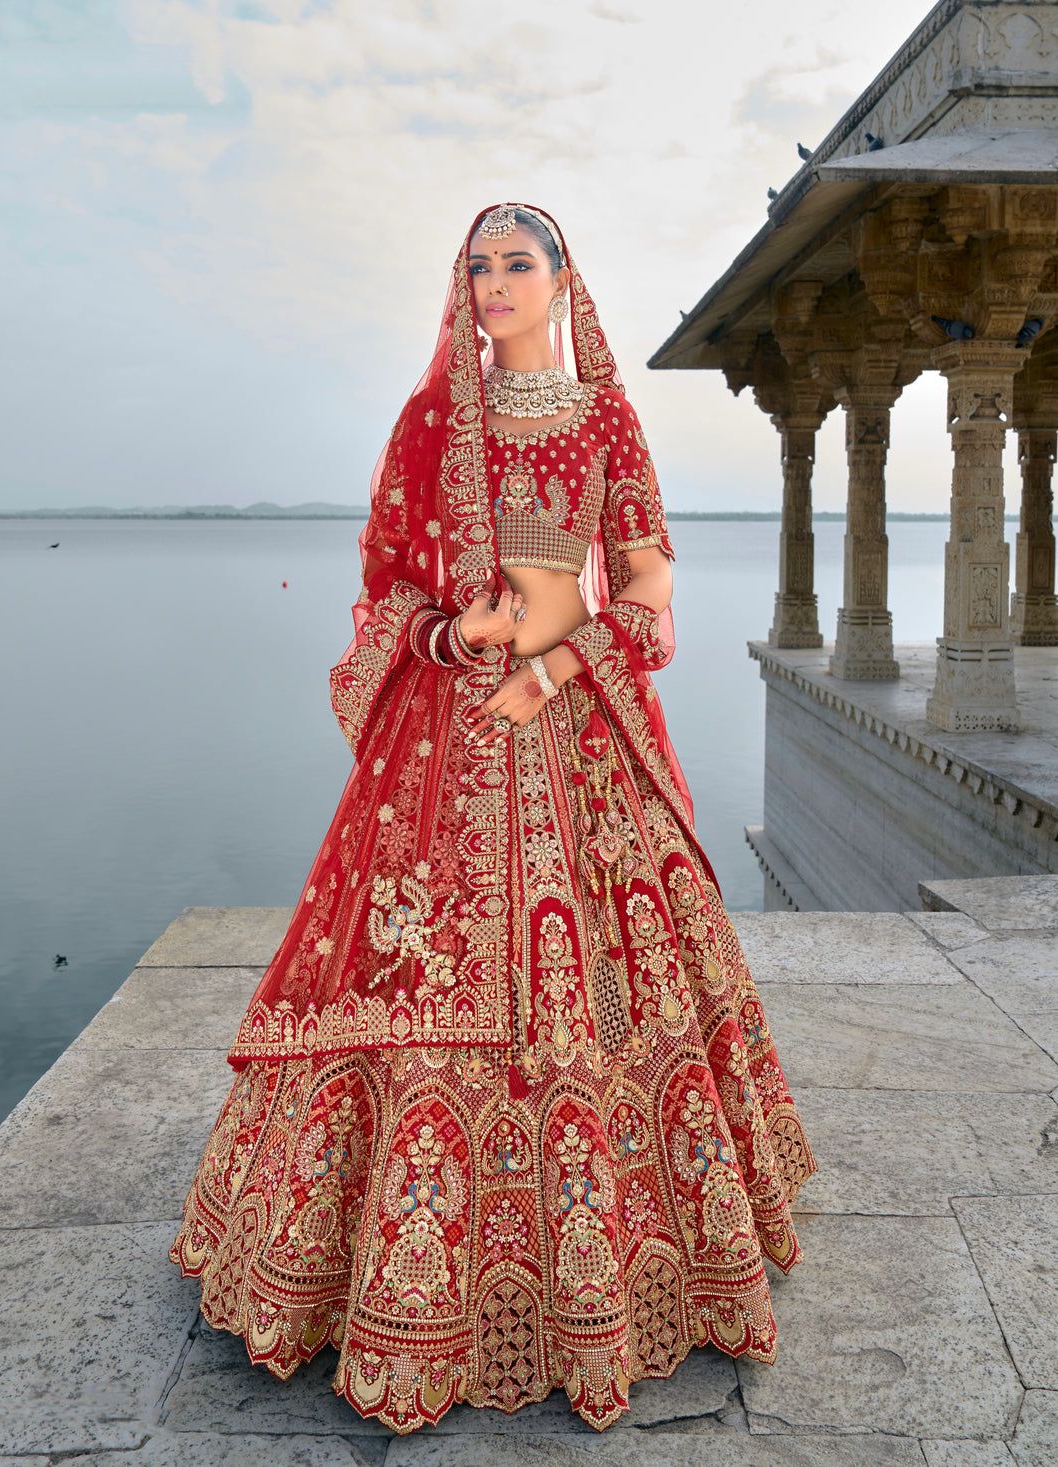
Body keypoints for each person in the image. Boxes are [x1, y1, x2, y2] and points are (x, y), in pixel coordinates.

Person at [168, 201, 818, 1434]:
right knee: (406, 962)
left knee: (613, 983)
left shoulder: (604, 414)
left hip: (573, 723)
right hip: (446, 731)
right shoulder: (429, 421)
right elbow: (388, 582)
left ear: (566, 280)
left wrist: (552, 671)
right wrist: (445, 634)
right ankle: (362, 1268)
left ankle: (619, 1272)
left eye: (519, 264)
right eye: (477, 267)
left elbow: (646, 584)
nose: (494, 284)